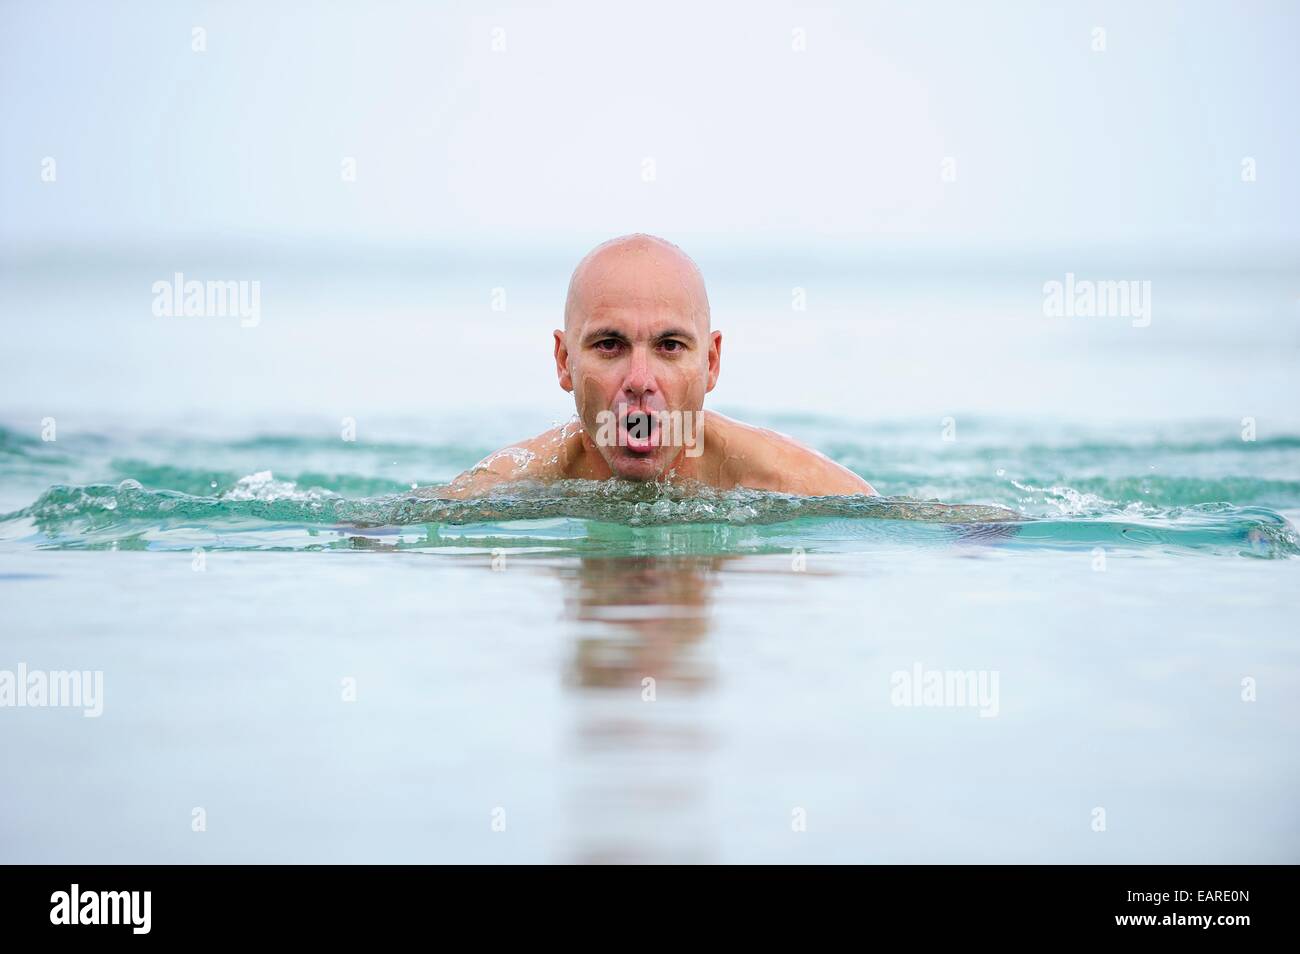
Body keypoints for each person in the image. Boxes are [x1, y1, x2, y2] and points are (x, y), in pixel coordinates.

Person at [440, 233, 877, 498]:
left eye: (669, 346)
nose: (639, 381)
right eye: (610, 345)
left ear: (710, 362)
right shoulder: (508, 483)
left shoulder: (791, 481)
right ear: (564, 361)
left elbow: (931, 532)